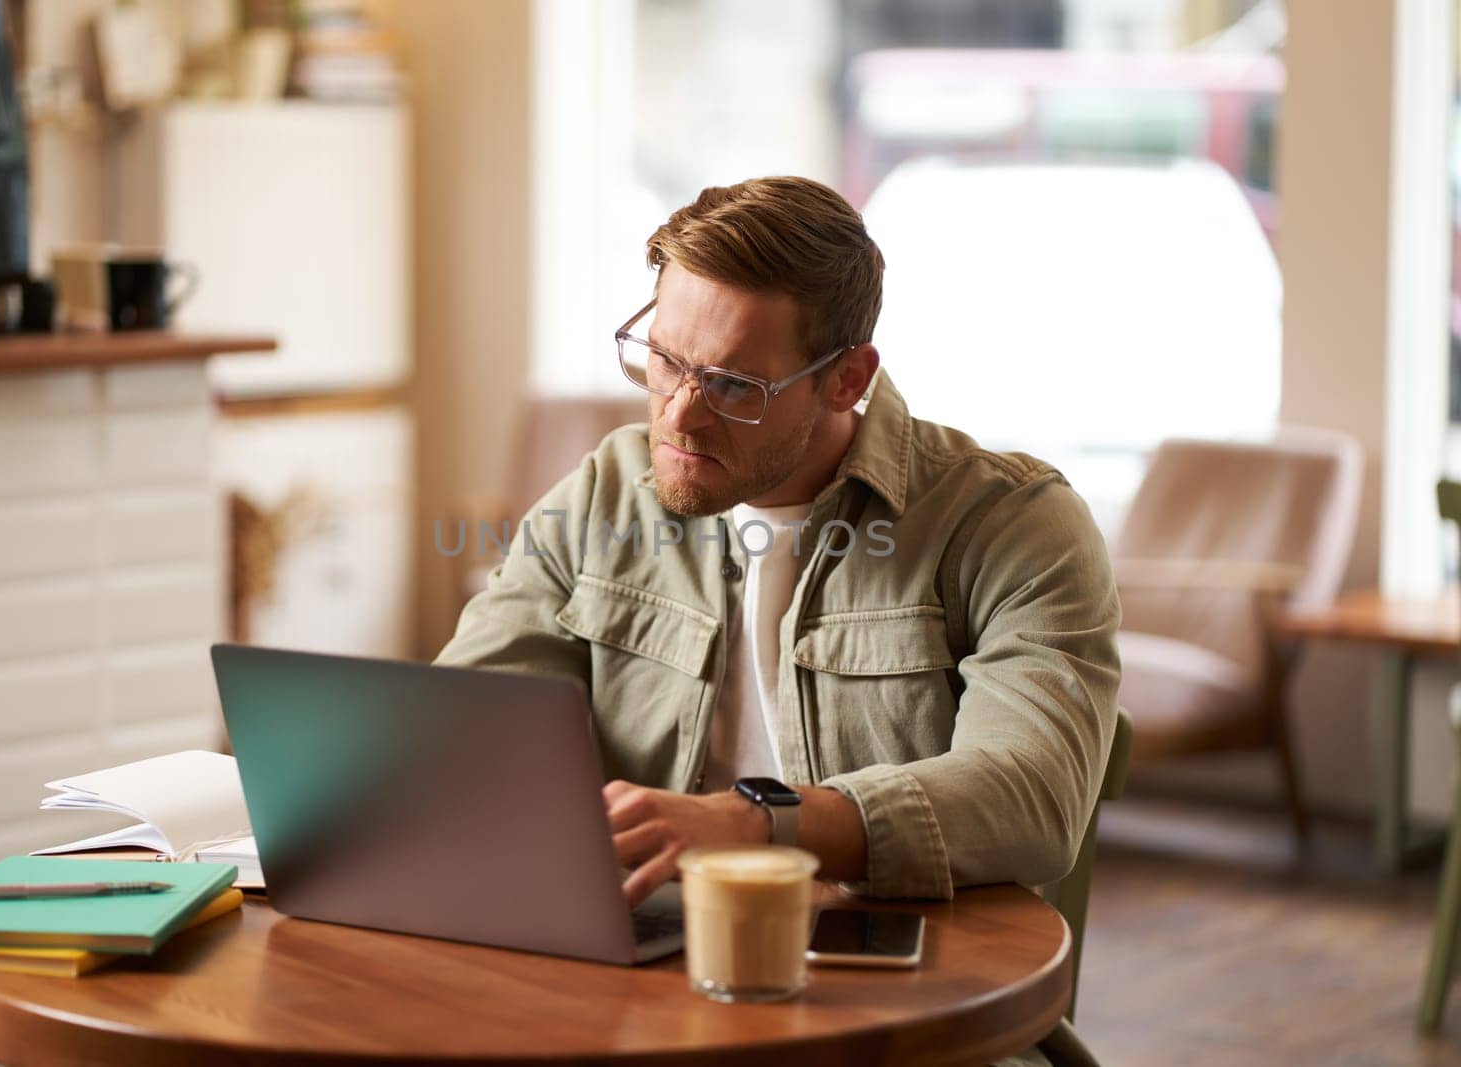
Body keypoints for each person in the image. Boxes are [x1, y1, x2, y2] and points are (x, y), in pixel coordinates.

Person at [436, 175, 1120, 912]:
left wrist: (752, 821)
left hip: (902, 976)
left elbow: (1031, 795)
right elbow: (461, 725)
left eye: (732, 385)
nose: (680, 416)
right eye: (664, 359)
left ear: (846, 378)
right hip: (642, 959)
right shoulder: (607, 491)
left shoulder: (1011, 526)